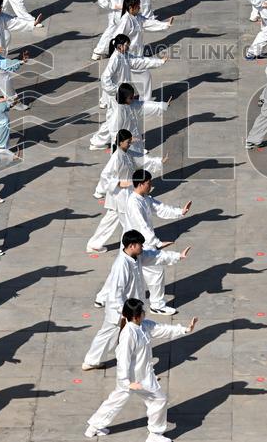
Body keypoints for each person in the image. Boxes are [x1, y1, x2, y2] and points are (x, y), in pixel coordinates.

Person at [85, 298, 196, 441]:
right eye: (143, 311)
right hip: (136, 377)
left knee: (116, 400)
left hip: (142, 375)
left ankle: (93, 427)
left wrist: (184, 329)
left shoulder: (143, 325)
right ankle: (155, 435)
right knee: (159, 399)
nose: (145, 313)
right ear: (136, 316)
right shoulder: (128, 334)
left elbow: (161, 329)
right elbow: (123, 359)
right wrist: (127, 382)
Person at [115, 169, 191, 315]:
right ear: (142, 184)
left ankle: (104, 297)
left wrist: (180, 212)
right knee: (154, 272)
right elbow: (141, 225)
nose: (151, 185)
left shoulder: (144, 198)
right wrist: (156, 242)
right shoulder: (134, 203)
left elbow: (160, 208)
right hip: (139, 243)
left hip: (141, 243)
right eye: (149, 183)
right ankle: (157, 305)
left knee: (126, 274)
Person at [88, 130, 164, 253]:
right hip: (121, 195)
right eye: (128, 142)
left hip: (122, 194)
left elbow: (141, 160)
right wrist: (118, 183)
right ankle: (140, 245)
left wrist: (157, 162)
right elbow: (105, 175)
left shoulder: (126, 153)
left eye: (130, 142)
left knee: (109, 221)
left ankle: (94, 245)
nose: (129, 144)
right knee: (130, 221)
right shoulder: (116, 157)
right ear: (121, 142)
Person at [83, 230, 149, 369]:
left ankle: (94, 361)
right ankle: (92, 361)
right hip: (122, 311)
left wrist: (176, 256)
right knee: (112, 336)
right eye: (140, 245)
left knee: (114, 337)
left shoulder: (135, 258)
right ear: (132, 246)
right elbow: (115, 293)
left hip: (129, 309)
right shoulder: (122, 265)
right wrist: (126, 312)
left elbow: (153, 256)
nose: (142, 247)